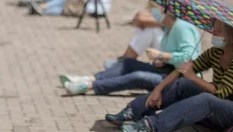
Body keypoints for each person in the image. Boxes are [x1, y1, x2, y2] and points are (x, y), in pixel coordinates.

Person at [107, 19, 233, 132]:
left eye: (218, 31)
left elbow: (220, 92)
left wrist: (193, 76)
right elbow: (181, 71)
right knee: (184, 84)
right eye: (213, 29)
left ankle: (151, 128)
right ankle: (133, 111)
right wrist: (158, 89)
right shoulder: (215, 52)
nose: (213, 33)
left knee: (207, 99)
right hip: (222, 102)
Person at [60, 6, 201, 96]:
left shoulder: (182, 28)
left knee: (138, 76)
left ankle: (90, 86)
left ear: (169, 12)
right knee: (128, 63)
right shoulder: (168, 27)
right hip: (167, 71)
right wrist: (162, 61)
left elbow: (189, 58)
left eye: (159, 10)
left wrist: (162, 55)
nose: (155, 13)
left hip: (179, 80)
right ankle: (92, 78)